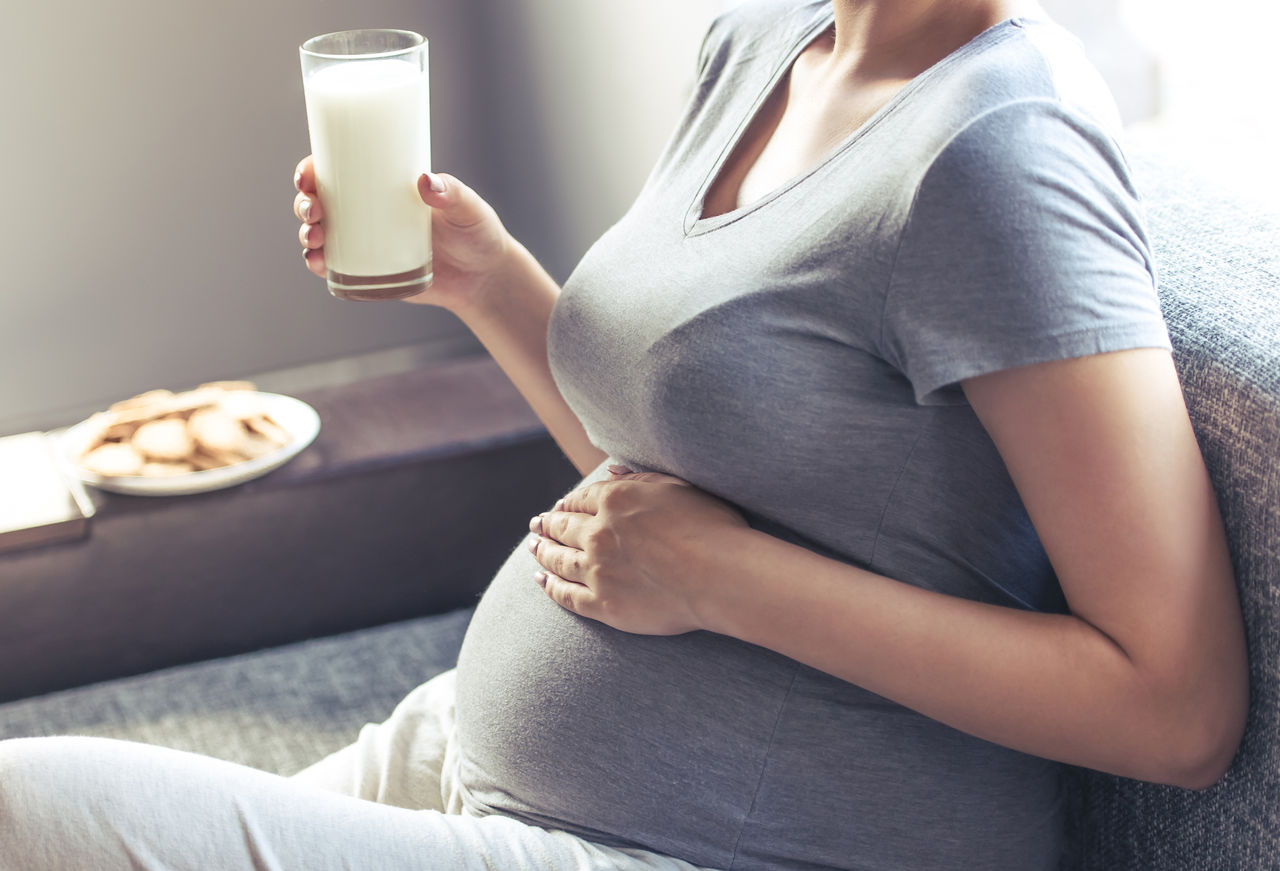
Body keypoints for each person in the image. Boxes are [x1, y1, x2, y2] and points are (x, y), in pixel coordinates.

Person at [0, 0, 1249, 868]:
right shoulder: (763, 44)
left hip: (721, 848)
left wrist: (727, 580)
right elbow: (669, 471)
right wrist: (486, 281)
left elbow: (1173, 707)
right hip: (476, 758)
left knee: (23, 812)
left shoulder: (994, 151)